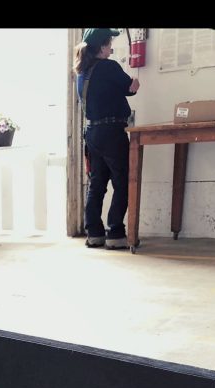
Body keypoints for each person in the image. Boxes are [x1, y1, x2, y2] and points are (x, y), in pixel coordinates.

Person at [74, 28, 140, 249]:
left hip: (92, 133)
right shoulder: (109, 67)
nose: (111, 48)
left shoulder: (82, 72)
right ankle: (115, 234)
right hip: (112, 131)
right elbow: (129, 88)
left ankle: (94, 233)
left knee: (97, 184)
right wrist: (135, 85)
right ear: (102, 46)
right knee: (122, 181)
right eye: (110, 43)